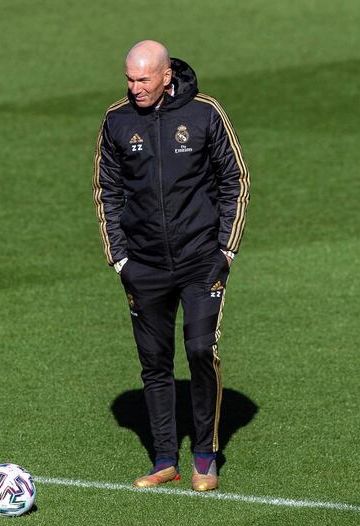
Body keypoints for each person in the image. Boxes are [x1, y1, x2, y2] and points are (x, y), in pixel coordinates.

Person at [92, 40, 249, 491]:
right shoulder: (117, 120)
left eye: (143, 79)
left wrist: (226, 251)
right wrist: (120, 258)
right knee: (154, 362)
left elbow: (235, 180)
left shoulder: (205, 113)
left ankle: (204, 455)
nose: (134, 87)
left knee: (201, 351)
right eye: (129, 78)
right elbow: (106, 190)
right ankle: (164, 458)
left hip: (203, 261)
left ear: (166, 75)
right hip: (143, 266)